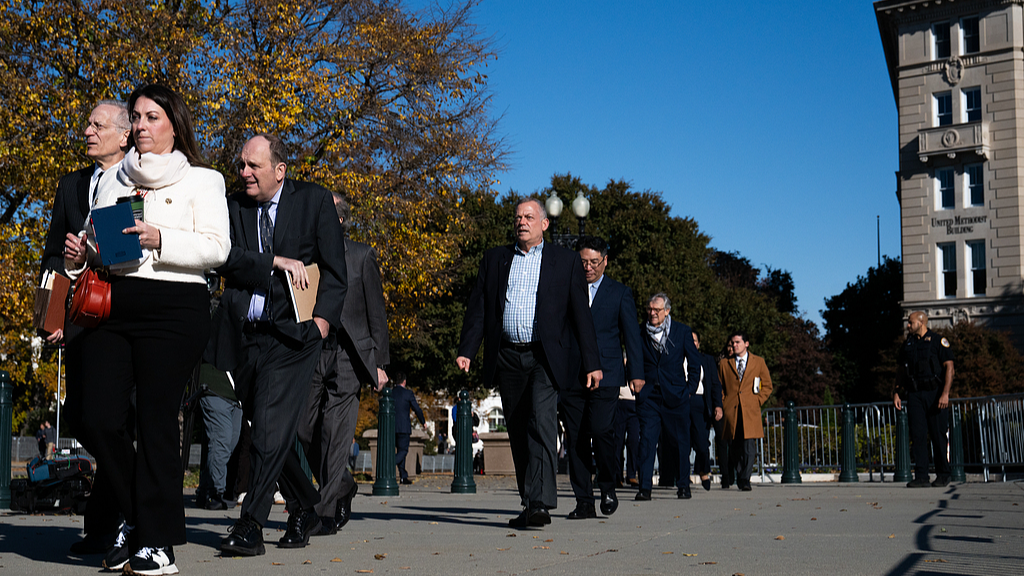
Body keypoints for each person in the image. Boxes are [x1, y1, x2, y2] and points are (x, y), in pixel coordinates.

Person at [65, 84, 230, 575]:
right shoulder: (115, 179)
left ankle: (157, 545)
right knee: (92, 414)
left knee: (157, 420)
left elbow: (217, 249)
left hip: (176, 308)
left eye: (150, 117)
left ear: (173, 125)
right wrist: (85, 256)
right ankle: (140, 519)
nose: (139, 125)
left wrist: (163, 238)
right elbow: (113, 252)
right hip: (117, 302)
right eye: (135, 116)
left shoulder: (205, 180)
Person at [208, 133, 347, 558]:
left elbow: (335, 271)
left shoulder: (313, 202)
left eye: (253, 166)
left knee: (268, 427)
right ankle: (306, 504)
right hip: (246, 334)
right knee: (267, 427)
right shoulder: (233, 206)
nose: (244, 173)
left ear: (279, 170)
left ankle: (251, 522)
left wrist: (321, 323)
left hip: (295, 337)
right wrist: (270, 263)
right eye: (241, 166)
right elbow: (224, 257)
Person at [456, 198, 602, 528]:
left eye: (529, 217)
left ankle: (540, 503)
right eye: (518, 217)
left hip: (545, 357)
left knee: (541, 422)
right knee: (519, 429)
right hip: (508, 354)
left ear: (544, 224)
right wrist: (468, 349)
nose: (522, 221)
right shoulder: (495, 259)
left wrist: (592, 363)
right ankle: (529, 500)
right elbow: (480, 308)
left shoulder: (564, 262)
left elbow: (581, 316)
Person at [40, 100, 129, 555]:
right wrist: (51, 316)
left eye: (99, 125)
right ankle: (113, 514)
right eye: (88, 123)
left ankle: (117, 519)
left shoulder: (133, 180)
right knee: (80, 417)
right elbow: (53, 252)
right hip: (77, 319)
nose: (89, 131)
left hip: (120, 317)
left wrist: (91, 252)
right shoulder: (71, 185)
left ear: (123, 134)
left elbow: (123, 256)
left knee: (105, 420)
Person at [298, 192, 389, 535]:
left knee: (336, 431)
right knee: (303, 428)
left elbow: (376, 314)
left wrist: (379, 362)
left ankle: (321, 513)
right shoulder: (304, 256)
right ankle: (343, 484)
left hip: (351, 354)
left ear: (338, 220)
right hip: (312, 351)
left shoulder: (362, 255)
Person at [560, 236, 644, 519]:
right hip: (571, 374)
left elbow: (631, 336)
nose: (588, 267)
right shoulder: (565, 289)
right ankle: (584, 500)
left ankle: (608, 486)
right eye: (583, 261)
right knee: (576, 439)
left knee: (600, 430)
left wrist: (636, 373)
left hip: (607, 375)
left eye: (594, 262)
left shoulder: (619, 293)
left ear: (605, 261)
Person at [635, 293, 701, 500]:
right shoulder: (639, 331)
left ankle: (683, 485)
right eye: (649, 309)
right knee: (646, 442)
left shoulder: (682, 331)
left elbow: (694, 362)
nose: (652, 313)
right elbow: (634, 357)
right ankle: (644, 488)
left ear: (667, 311)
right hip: (649, 396)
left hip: (676, 395)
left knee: (680, 442)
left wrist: (689, 389)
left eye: (657, 310)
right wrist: (634, 381)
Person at [894, 311, 955, 488]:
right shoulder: (908, 344)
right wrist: (896, 392)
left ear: (921, 323)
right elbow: (901, 370)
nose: (908, 325)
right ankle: (921, 476)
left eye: (910, 323)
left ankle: (943, 474)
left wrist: (945, 393)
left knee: (938, 435)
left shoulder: (938, 341)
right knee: (918, 435)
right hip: (914, 394)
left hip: (935, 393)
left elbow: (949, 367)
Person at [718, 332, 773, 491]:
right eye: (732, 343)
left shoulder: (759, 362)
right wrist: (723, 403)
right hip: (732, 410)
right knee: (734, 446)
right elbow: (719, 387)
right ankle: (741, 474)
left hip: (750, 410)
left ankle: (745, 478)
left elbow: (767, 385)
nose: (734, 345)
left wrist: (757, 401)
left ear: (746, 343)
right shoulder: (724, 364)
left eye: (737, 342)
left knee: (749, 445)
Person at [195, 363, 242, 510]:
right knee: (221, 440)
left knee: (229, 442)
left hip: (235, 392)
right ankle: (215, 492)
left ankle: (206, 488)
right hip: (214, 387)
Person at [688, 330, 723, 491]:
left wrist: (718, 405)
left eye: (695, 340)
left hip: (701, 402)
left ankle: (703, 470)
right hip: (683, 401)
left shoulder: (707, 360)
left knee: (702, 443)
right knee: (684, 442)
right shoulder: (678, 358)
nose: (692, 343)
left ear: (699, 343)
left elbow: (715, 384)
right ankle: (683, 476)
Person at [391, 371, 425, 484]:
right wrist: (423, 421)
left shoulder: (391, 393)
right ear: (404, 382)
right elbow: (416, 409)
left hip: (391, 427)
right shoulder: (408, 394)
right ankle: (390, 465)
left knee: (398, 450)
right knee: (403, 450)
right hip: (404, 427)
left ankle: (403, 476)